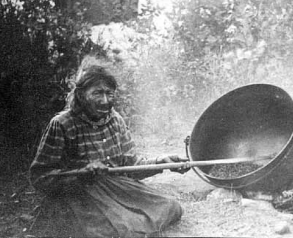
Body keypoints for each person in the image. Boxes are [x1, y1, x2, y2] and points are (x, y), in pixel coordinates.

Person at [29, 65, 189, 237]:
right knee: (121, 230)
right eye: (97, 93)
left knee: (172, 208)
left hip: (117, 188)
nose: (105, 100)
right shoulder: (62, 124)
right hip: (80, 194)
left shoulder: (115, 120)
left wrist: (161, 162)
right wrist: (80, 174)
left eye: (109, 93)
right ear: (81, 95)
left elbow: (131, 166)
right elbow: (40, 177)